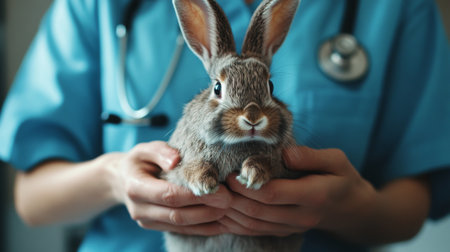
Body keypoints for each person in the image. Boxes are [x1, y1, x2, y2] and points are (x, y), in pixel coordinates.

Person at [1, 0, 449, 251]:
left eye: (267, 91)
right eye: (222, 93)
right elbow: (32, 199)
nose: (252, 113)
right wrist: (113, 181)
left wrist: (350, 207)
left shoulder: (397, 9)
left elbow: (412, 204)